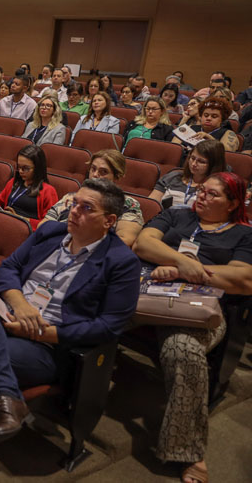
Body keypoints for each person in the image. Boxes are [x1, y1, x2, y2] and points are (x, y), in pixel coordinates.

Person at [0, 179, 140, 480]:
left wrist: (38, 333)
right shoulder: (50, 232)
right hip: (8, 315)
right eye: (74, 203)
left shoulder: (121, 262)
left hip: (48, 346)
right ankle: (8, 395)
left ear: (109, 221)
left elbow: (108, 327)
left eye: (87, 208)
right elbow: (8, 268)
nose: (74, 211)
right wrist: (19, 305)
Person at [132, 172, 252, 483]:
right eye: (202, 190)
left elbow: (243, 279)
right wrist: (181, 261)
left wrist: (181, 270)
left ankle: (187, 451)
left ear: (233, 204)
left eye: (213, 194)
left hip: (196, 310)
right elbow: (143, 243)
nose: (202, 196)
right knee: (90, 304)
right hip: (145, 293)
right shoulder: (177, 214)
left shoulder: (244, 234)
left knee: (182, 349)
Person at [41, 149, 145, 247]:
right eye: (93, 169)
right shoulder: (71, 197)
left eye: (103, 172)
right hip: (54, 247)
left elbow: (124, 240)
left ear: (117, 177)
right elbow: (43, 226)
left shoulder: (128, 204)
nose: (95, 175)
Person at [0, 145, 58, 230]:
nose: (21, 171)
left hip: (27, 231)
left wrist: (19, 218)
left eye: (26, 168)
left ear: (37, 168)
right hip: (4, 223)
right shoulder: (13, 182)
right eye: (19, 167)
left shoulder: (48, 191)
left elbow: (48, 224)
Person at [150, 140, 226, 209]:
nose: (194, 164)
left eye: (201, 161)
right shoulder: (172, 177)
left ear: (214, 165)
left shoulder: (216, 189)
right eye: (192, 158)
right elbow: (152, 205)